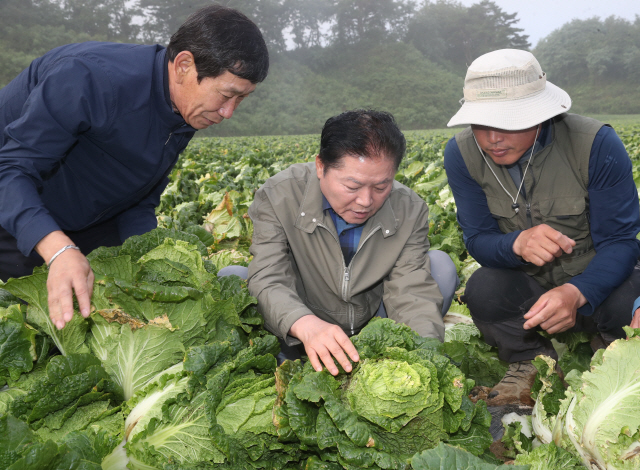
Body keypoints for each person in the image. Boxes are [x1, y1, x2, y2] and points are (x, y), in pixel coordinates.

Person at [0, 5, 269, 330]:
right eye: (227, 95)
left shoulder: (185, 110)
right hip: (15, 211)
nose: (229, 112)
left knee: (109, 317)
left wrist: (154, 263)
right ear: (184, 65)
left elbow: (139, 199)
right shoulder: (88, 77)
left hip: (87, 219)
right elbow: (10, 171)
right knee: (26, 328)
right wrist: (58, 249)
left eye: (242, 99)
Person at [443, 49, 640, 405]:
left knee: (630, 299)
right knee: (484, 288)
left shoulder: (594, 144)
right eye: (479, 124)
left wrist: (576, 292)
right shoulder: (461, 155)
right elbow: (476, 239)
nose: (491, 139)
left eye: (505, 123)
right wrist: (514, 245)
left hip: (599, 279)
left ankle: (610, 351)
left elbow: (621, 242)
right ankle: (530, 361)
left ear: (540, 114)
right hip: (531, 290)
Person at [246, 109, 459, 375]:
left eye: (381, 187)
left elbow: (410, 292)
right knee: (234, 277)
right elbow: (269, 277)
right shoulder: (279, 196)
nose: (366, 201)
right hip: (301, 326)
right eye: (352, 186)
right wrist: (306, 325)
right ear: (321, 166)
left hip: (372, 326)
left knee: (441, 267)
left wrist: (424, 359)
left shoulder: (409, 208)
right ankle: (286, 359)